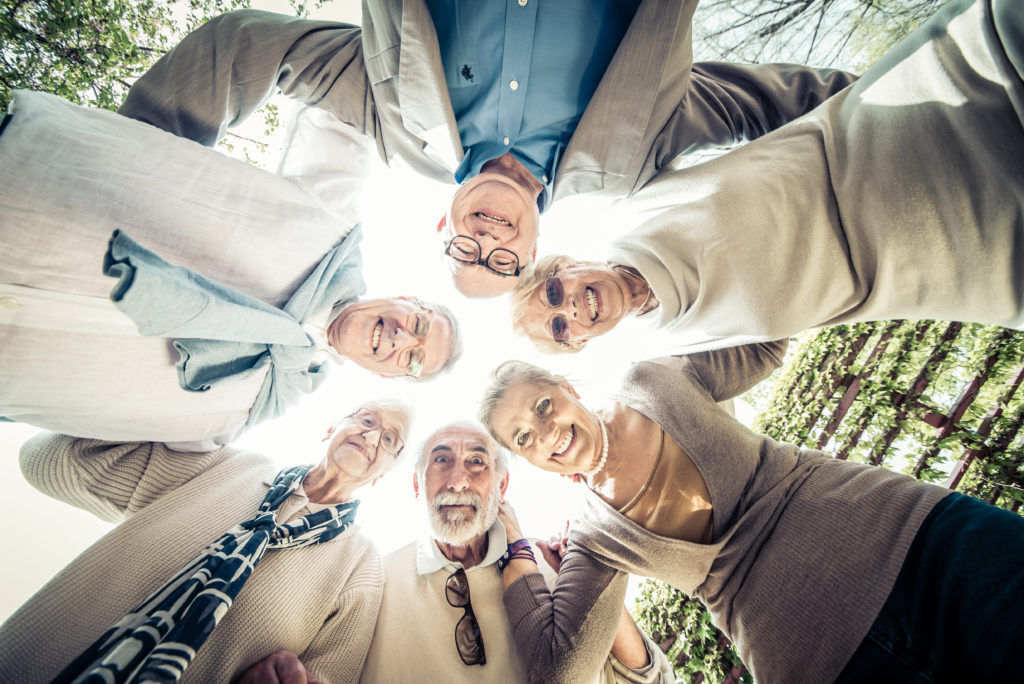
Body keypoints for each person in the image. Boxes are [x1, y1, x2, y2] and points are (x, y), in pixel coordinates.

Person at [115, 0, 858, 297]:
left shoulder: (396, 131)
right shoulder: (630, 164)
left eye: (464, 254)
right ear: (535, 248)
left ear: (443, 225)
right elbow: (767, 104)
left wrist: (128, 180)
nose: (488, 244)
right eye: (505, 264)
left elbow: (248, 46)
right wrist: (896, 108)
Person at [478, 339, 1024, 683]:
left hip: (919, 545)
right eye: (523, 437)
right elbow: (560, 671)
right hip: (822, 665)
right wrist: (516, 547)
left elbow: (764, 342)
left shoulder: (651, 379)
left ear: (567, 387)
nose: (544, 432)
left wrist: (648, 290)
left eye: (543, 405)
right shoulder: (594, 538)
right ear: (529, 460)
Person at [511, 0, 1024, 353]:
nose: (570, 311)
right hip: (984, 263)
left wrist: (868, 97)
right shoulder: (678, 347)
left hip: (946, 101)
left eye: (553, 295)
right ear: (580, 344)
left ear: (566, 266)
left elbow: (738, 102)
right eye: (560, 329)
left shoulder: (634, 199)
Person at [0, 90, 461, 450]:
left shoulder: (248, 413)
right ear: (405, 298)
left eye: (413, 359)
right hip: (22, 194)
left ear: (388, 377)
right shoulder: (331, 222)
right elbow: (348, 89)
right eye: (419, 324)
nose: (402, 339)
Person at [0, 400, 412, 683]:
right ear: (331, 429)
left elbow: (329, 675)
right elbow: (48, 460)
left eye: (391, 440)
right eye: (367, 420)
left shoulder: (361, 565)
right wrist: (193, 409)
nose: (373, 436)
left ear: (384, 475)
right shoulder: (232, 464)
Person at [239, 421, 673, 683]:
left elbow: (650, 677)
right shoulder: (373, 580)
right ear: (417, 485)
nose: (458, 481)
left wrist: (590, 588)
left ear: (502, 485)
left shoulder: (552, 563)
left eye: (477, 462)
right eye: (441, 460)